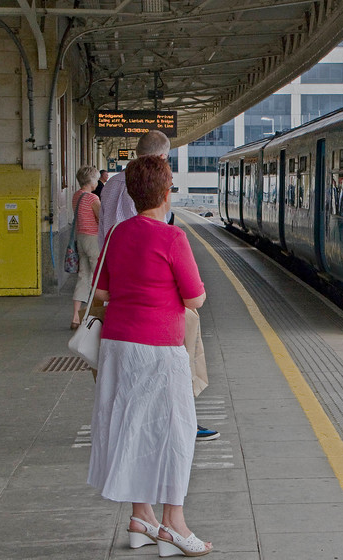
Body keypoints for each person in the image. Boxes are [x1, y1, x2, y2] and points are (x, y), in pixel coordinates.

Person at [87, 155, 212, 557]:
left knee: (134, 426)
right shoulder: (172, 238)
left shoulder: (118, 234)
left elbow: (101, 292)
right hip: (160, 348)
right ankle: (173, 524)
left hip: (118, 347)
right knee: (175, 430)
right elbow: (195, 297)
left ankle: (142, 517)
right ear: (165, 191)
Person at [99, 131, 219, 441]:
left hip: (115, 299)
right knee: (189, 338)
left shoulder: (112, 183)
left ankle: (144, 423)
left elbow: (110, 244)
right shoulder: (160, 224)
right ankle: (184, 414)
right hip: (150, 304)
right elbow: (194, 297)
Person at [70, 166, 102, 330]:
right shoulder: (92, 198)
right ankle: (95, 314)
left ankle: (76, 316)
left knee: (83, 276)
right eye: (96, 179)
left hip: (80, 238)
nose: (97, 182)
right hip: (93, 239)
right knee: (98, 277)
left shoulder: (76, 196)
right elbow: (101, 218)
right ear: (90, 181)